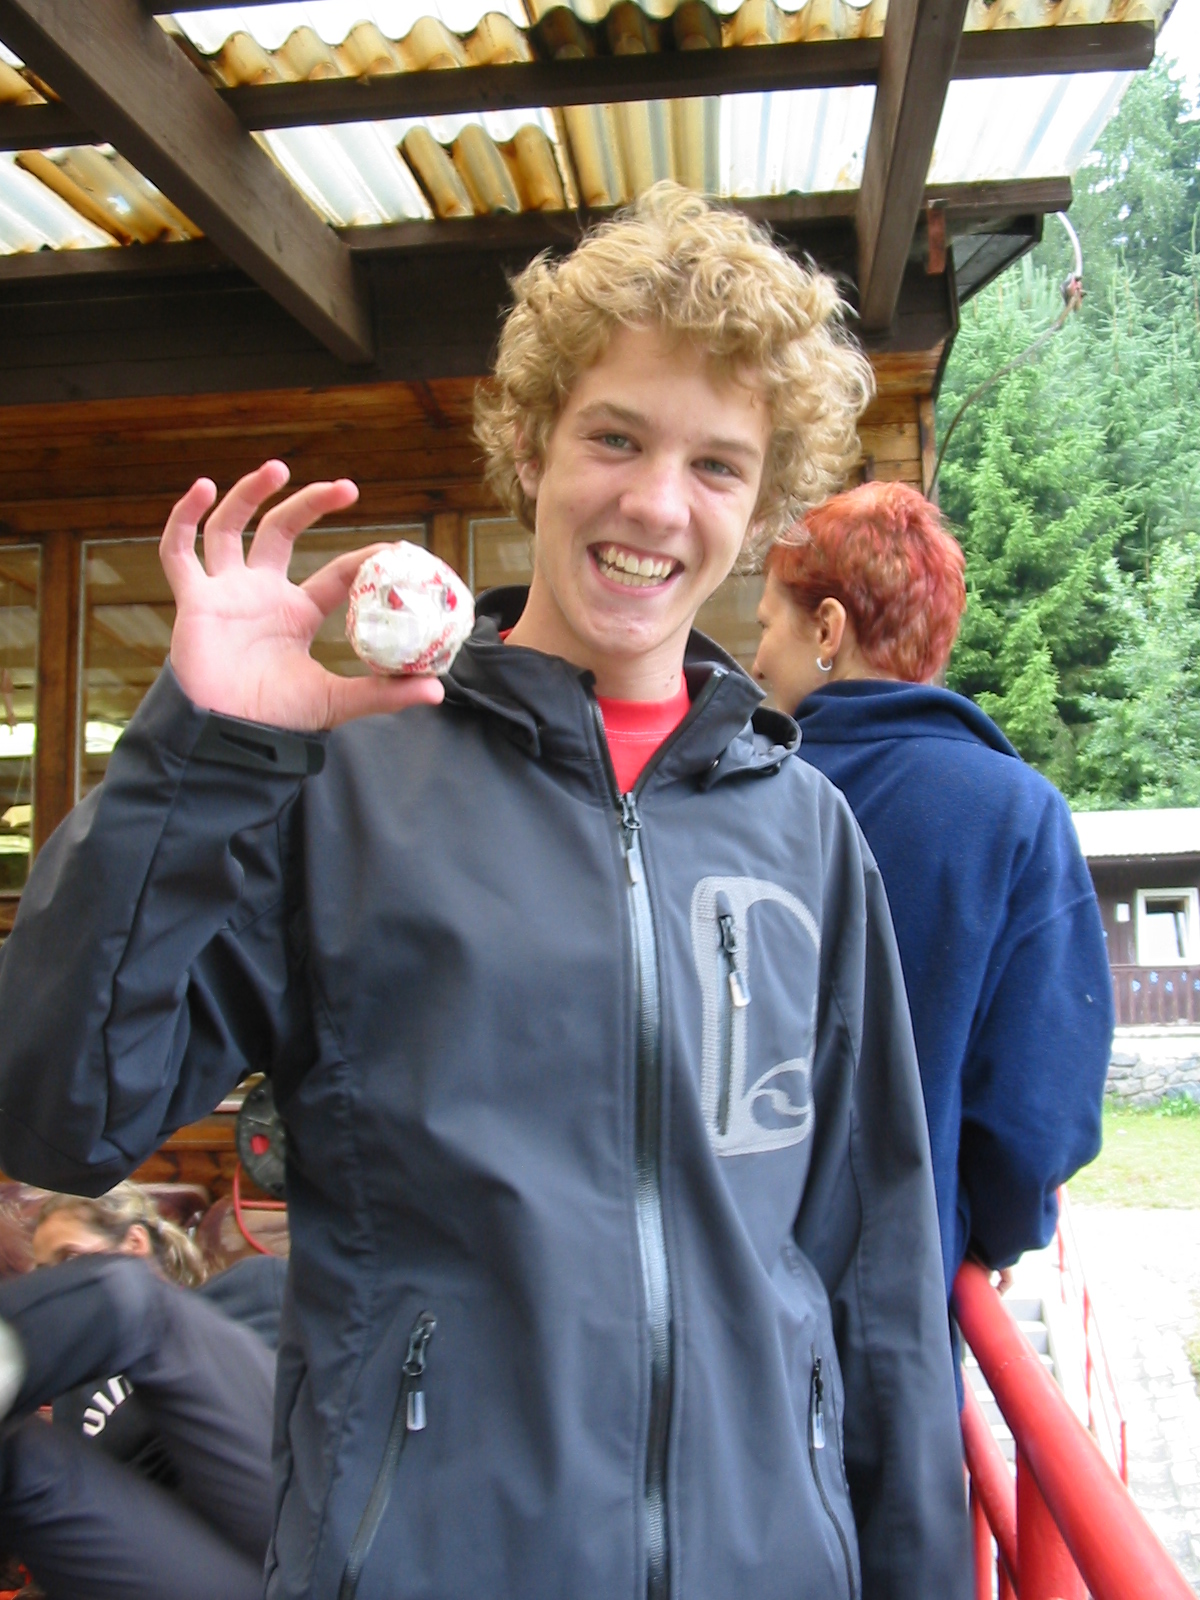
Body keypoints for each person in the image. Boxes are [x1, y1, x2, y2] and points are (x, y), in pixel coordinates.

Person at [0, 186, 972, 1600]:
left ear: (761, 507)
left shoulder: (807, 834)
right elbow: (58, 1109)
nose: (657, 503)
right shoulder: (350, 786)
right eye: (616, 438)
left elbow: (877, 1278)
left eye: (716, 464)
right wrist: (200, 752)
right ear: (531, 444)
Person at [752, 478, 1113, 1312]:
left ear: (828, 629)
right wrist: (988, 1231)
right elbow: (1038, 1112)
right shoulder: (1018, 813)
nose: (758, 658)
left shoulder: (735, 799)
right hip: (897, 1321)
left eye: (767, 624)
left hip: (726, 1324)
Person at [0, 1183, 278, 1600]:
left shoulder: (247, 1291)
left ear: (135, 1243)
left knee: (140, 1301)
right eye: (43, 1273)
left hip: (299, 1540)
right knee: (13, 1453)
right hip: (185, 1571)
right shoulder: (75, 1390)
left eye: (69, 1260)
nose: (54, 1284)